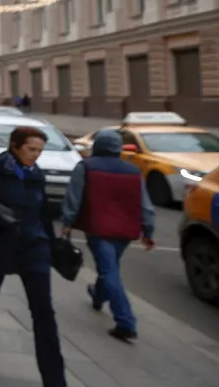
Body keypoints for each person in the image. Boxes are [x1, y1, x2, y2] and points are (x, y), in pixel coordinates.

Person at [0, 126, 87, 387]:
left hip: (34, 248)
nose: (36, 156)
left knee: (44, 314)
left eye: (40, 151)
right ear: (15, 146)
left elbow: (43, 213)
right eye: (32, 150)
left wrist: (53, 243)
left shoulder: (35, 173)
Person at [60, 130, 156, 342]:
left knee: (109, 270)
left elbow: (73, 197)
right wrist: (148, 231)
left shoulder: (86, 166)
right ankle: (97, 294)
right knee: (110, 267)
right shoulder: (133, 171)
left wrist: (67, 223)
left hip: (98, 228)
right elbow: (145, 205)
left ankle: (125, 321)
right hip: (125, 231)